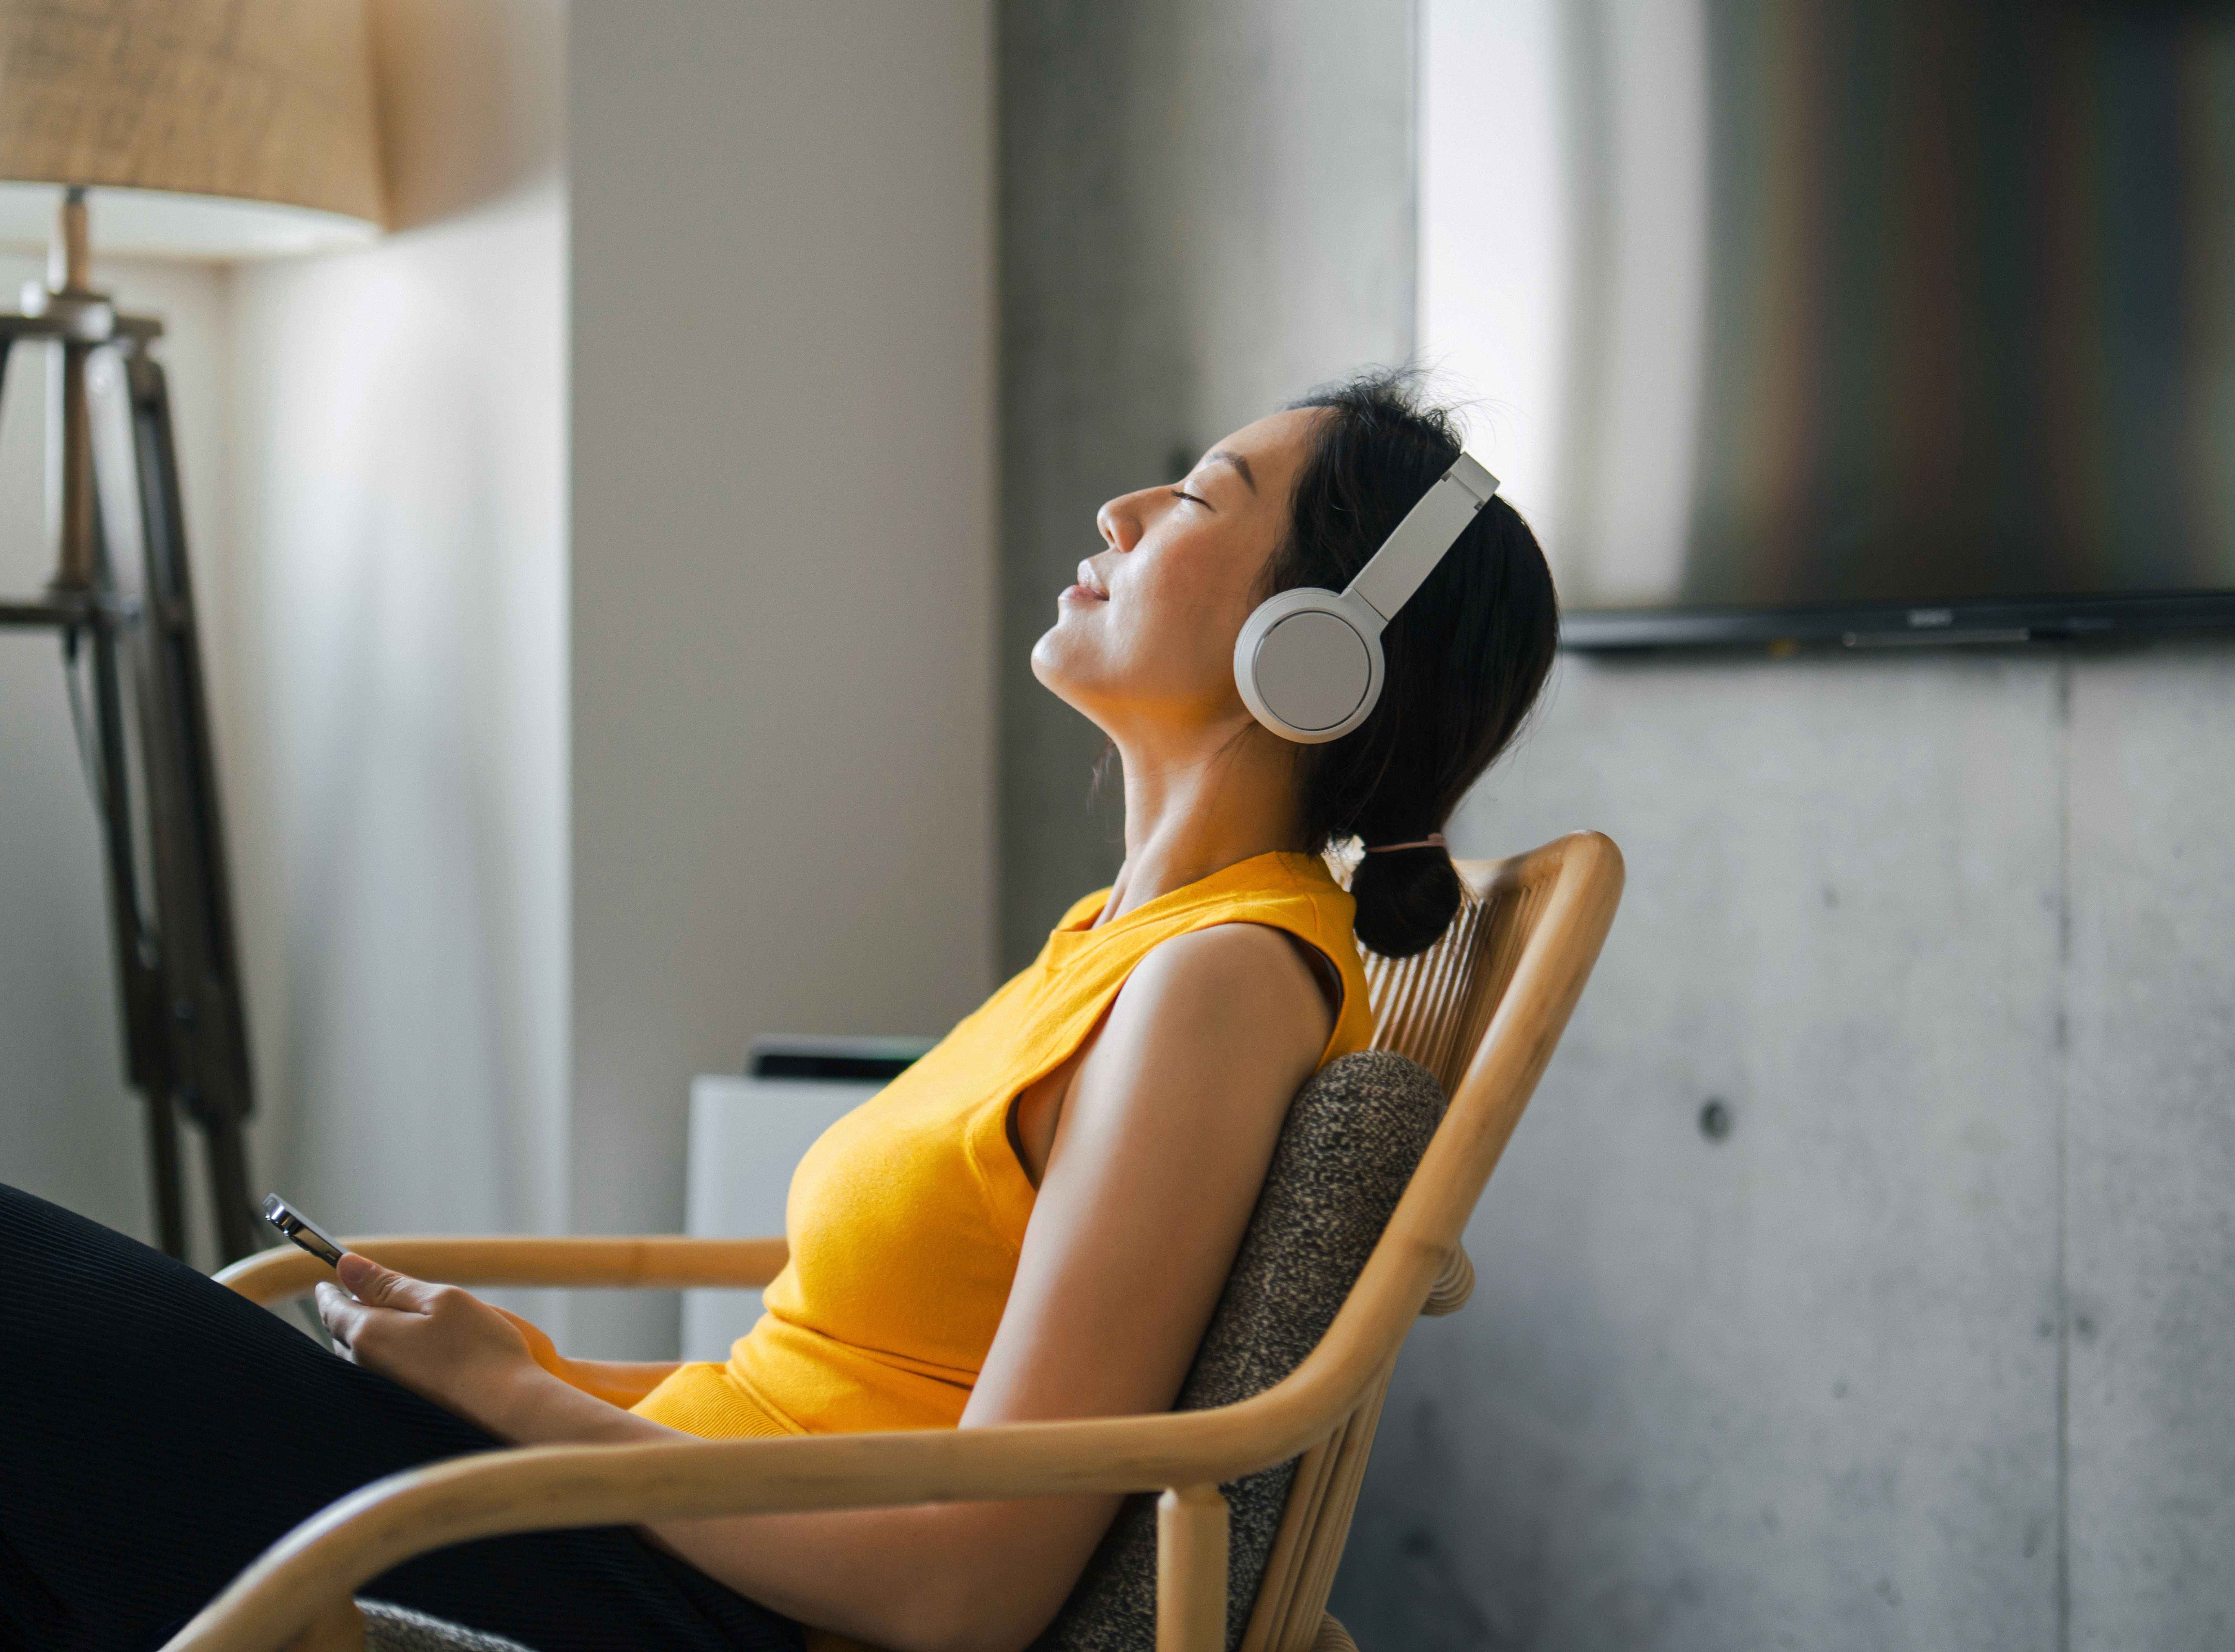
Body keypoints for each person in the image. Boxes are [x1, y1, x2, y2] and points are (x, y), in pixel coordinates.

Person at [0, 369, 1559, 1652]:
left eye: (1203, 499)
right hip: (648, 1531)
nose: (1122, 510)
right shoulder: (1117, 942)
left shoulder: (1217, 982)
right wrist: (519, 1367)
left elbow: (973, 1580)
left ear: (1318, 646)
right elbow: (820, 1391)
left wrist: (523, 1402)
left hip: (703, 1603)